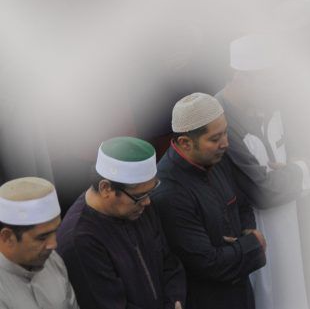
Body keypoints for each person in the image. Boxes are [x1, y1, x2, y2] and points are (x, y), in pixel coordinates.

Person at [219, 35, 310, 309]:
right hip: (256, 230)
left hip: (289, 224)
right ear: (240, 77)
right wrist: (300, 171)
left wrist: (297, 166)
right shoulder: (221, 119)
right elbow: (263, 192)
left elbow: (301, 150)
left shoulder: (268, 102)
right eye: (266, 80)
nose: (273, 88)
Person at [152, 93, 267, 309]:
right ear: (185, 143)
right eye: (215, 139)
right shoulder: (169, 192)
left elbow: (242, 205)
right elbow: (208, 263)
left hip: (240, 292)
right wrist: (253, 244)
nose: (225, 143)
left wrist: (246, 233)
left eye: (225, 133)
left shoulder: (216, 156)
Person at [56, 137, 187, 309]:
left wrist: (175, 301)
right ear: (106, 188)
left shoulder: (139, 205)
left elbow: (169, 262)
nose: (147, 202)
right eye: (140, 196)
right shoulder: (80, 240)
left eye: (150, 192)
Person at [0, 177, 78, 309]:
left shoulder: (53, 260)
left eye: (55, 231)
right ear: (7, 237)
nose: (54, 244)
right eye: (42, 237)